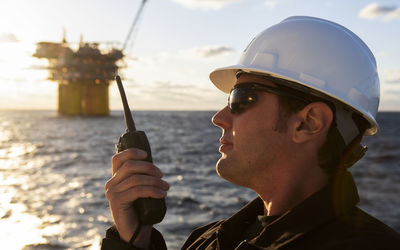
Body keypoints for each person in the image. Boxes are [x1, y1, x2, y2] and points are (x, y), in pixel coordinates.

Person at [101, 16, 400, 249]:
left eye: (240, 99)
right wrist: (134, 241)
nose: (219, 118)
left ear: (308, 122)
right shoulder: (209, 240)